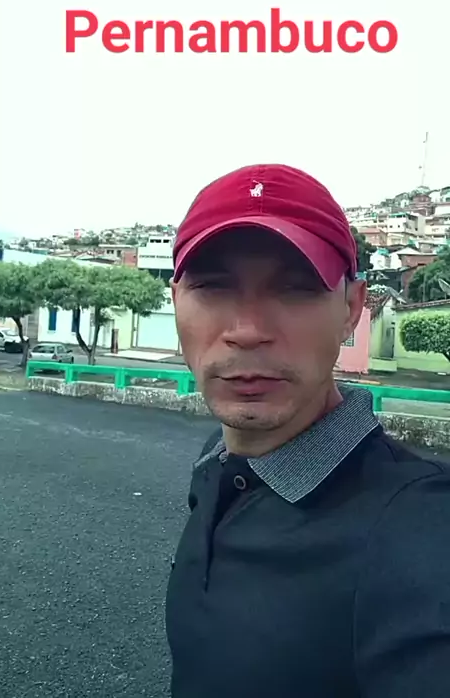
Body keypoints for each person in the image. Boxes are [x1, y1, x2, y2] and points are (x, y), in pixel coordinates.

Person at [165, 163, 450, 698]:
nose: (247, 331)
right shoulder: (218, 464)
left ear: (352, 309)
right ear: (176, 300)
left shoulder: (421, 527)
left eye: (295, 289)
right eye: (213, 287)